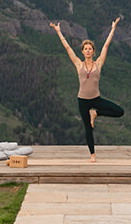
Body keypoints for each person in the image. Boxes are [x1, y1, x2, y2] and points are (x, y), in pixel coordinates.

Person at [50, 17, 124, 161]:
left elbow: (106, 46)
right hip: (83, 101)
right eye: (86, 49)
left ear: (93, 51)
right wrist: (58, 31)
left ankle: (95, 113)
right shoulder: (79, 64)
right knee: (88, 128)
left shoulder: (98, 64)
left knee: (119, 111)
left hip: (96, 99)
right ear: (83, 52)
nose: (88, 51)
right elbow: (67, 48)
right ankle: (92, 154)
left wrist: (113, 28)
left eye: (90, 49)